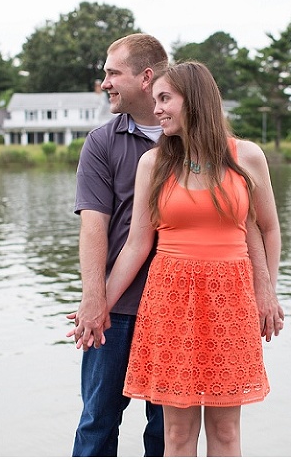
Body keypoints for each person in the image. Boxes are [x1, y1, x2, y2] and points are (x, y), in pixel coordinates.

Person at [71, 61, 283, 456]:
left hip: (230, 302)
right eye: (155, 100)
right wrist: (100, 306)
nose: (158, 110)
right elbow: (137, 244)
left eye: (165, 99)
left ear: (195, 100)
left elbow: (268, 228)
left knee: (226, 433)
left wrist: (266, 293)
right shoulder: (153, 163)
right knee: (177, 436)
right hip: (170, 303)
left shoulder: (248, 157)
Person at [67, 33, 168, 457]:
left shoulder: (189, 139)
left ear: (145, 77)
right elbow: (93, 227)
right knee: (97, 425)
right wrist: (95, 300)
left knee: (167, 435)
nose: (104, 82)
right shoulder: (102, 142)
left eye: (112, 73)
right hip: (116, 309)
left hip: (174, 309)